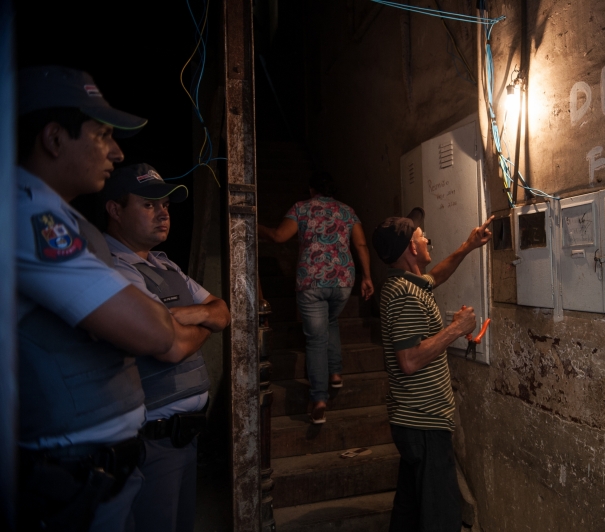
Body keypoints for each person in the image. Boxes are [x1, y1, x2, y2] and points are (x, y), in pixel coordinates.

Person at [15, 66, 176, 532]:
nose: (117, 150)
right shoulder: (28, 214)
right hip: (72, 477)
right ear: (54, 138)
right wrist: (143, 315)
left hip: (96, 473)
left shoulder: (59, 216)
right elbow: (155, 330)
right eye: (102, 134)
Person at [102, 163, 231, 532]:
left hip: (184, 440)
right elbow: (170, 349)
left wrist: (186, 316)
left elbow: (223, 312)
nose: (163, 213)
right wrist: (203, 320)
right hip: (153, 442)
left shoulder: (164, 263)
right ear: (115, 210)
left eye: (167, 206)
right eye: (148, 204)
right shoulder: (114, 269)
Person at [371, 208, 493, 532]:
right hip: (423, 421)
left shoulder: (404, 283)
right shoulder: (406, 297)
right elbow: (408, 360)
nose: (427, 240)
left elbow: (436, 275)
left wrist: (467, 246)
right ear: (412, 248)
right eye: (421, 236)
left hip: (413, 420)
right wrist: (457, 328)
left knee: (410, 512)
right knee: (442, 514)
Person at [258, 171, 373, 423]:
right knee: (330, 322)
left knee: (315, 340)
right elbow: (361, 245)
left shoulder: (300, 208)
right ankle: (335, 373)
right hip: (343, 281)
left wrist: (254, 226)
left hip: (312, 281)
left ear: (312, 190)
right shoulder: (347, 211)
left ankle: (319, 397)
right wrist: (367, 277)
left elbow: (279, 236)